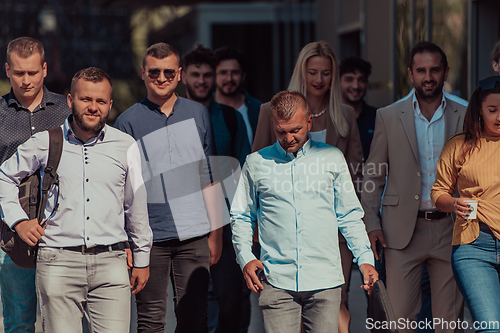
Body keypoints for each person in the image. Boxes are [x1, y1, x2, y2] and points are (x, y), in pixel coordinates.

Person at [0, 67, 153, 332]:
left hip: (111, 263)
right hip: (57, 262)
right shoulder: (45, 142)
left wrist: (142, 258)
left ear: (109, 105)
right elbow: (4, 177)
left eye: (101, 101)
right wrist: (19, 222)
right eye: (86, 99)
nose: (93, 107)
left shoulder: (126, 145)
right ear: (70, 101)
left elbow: (135, 207)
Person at [231, 90, 377, 333]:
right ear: (273, 125)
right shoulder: (256, 163)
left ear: (309, 122)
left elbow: (349, 215)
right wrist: (245, 256)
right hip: (276, 280)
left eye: (295, 130)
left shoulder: (332, 158)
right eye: (281, 131)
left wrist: (364, 260)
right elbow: (242, 215)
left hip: (325, 281)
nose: (288, 138)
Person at [252, 41, 363, 332]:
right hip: (285, 233)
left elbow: (357, 174)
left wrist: (358, 226)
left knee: (336, 304)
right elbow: (256, 169)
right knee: (291, 311)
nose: (318, 79)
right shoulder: (270, 112)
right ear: (302, 72)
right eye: (312, 72)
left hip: (333, 233)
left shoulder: (346, 114)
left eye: (326, 73)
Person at [114, 42, 223, 333]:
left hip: (195, 235)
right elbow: (123, 190)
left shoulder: (198, 113)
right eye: (154, 72)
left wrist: (216, 232)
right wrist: (128, 242)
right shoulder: (127, 122)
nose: (161, 77)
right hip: (150, 240)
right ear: (143, 73)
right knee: (150, 322)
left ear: (179, 74)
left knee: (194, 319)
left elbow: (208, 176)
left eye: (168, 72)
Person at [361, 41, 465, 333]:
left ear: (445, 72)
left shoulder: (465, 114)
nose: (428, 76)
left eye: (434, 70)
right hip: (402, 231)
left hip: (451, 229)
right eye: (421, 70)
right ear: (410, 74)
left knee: (448, 323)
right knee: (400, 322)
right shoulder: (389, 116)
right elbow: (373, 176)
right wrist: (371, 224)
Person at [0, 36, 70, 333]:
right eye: (19, 73)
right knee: (19, 321)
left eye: (32, 72)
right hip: (10, 233)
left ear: (44, 69)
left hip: (61, 230)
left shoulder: (66, 111)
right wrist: (16, 221)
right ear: (7, 70)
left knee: (64, 321)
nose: (26, 80)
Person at [181, 44, 251, 333]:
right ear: (183, 76)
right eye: (195, 74)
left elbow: (244, 174)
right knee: (194, 301)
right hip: (183, 224)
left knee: (231, 298)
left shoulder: (231, 118)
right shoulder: (172, 117)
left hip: (227, 222)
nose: (201, 81)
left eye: (207, 75)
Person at [432, 76, 500, 331]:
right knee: (491, 327)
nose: (498, 116)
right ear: (479, 110)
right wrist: (454, 203)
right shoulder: (460, 144)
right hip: (474, 247)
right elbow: (439, 192)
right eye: (492, 110)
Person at [214, 46, 262, 147]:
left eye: (234, 72)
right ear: (214, 75)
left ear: (243, 76)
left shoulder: (259, 109)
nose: (229, 78)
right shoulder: (203, 109)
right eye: (223, 73)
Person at [339, 56, 377, 162]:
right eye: (349, 79)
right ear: (338, 81)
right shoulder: (330, 117)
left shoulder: (379, 117)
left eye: (361, 80)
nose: (356, 86)